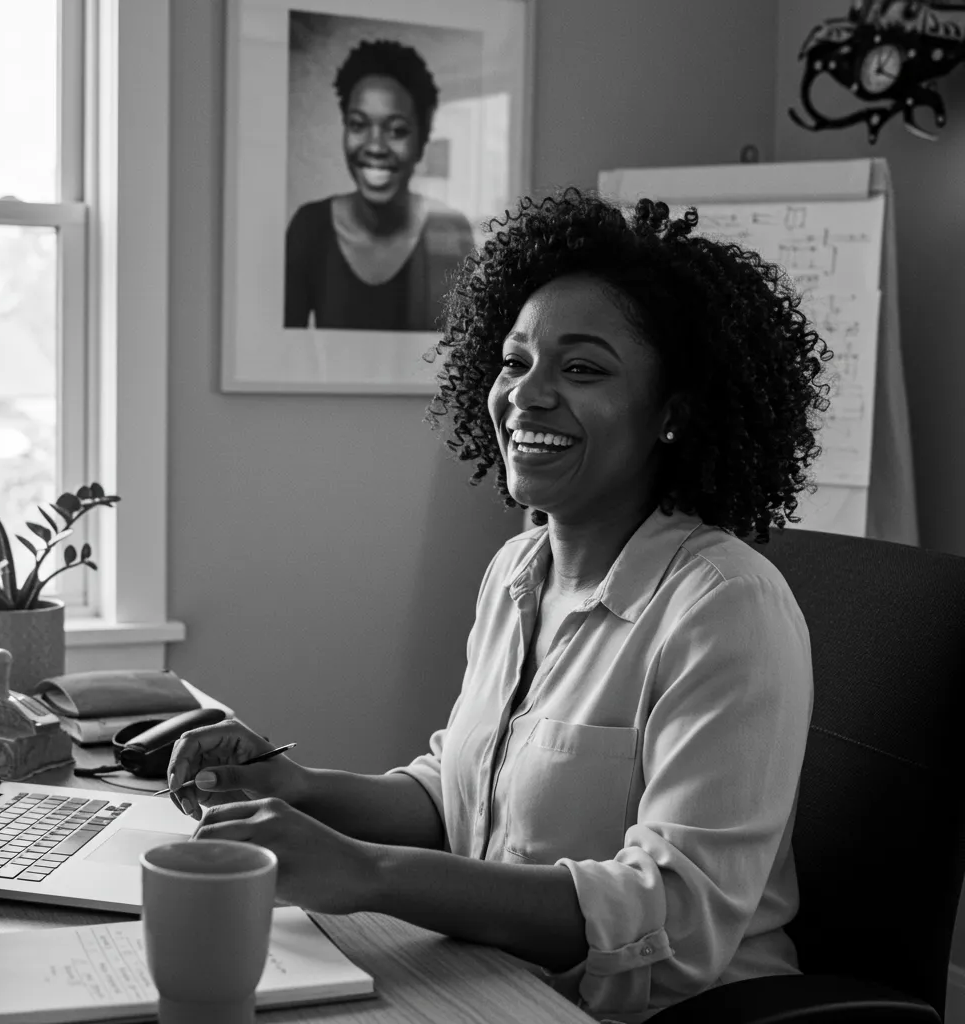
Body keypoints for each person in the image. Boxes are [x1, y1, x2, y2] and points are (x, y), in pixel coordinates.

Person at [170, 188, 831, 1022]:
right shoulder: (518, 570)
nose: (528, 395)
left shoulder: (725, 606)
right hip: (490, 981)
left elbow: (677, 921)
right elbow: (459, 794)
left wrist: (367, 872)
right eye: (516, 361)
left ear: (674, 412)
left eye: (582, 368)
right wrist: (300, 786)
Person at [284, 39, 475, 331]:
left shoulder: (450, 232)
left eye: (397, 130)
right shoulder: (309, 228)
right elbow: (282, 352)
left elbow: (462, 354)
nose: (375, 146)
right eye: (358, 124)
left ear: (421, 141)